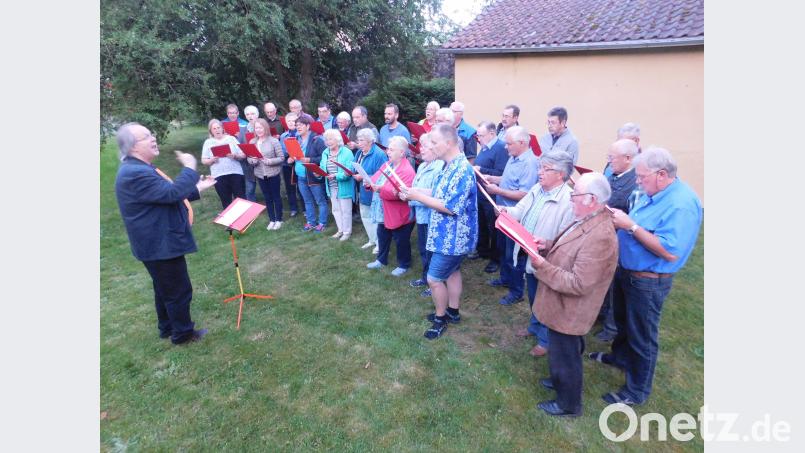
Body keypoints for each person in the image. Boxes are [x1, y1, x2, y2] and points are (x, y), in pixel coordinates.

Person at [589, 147, 703, 407]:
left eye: (642, 177)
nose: (638, 182)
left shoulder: (681, 204)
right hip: (627, 272)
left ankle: (637, 390)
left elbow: (669, 251)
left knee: (642, 335)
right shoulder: (655, 193)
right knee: (623, 322)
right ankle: (620, 358)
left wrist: (630, 226)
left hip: (648, 281)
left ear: (661, 174)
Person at [114, 122, 217, 344]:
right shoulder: (135, 173)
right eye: (146, 137)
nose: (153, 138)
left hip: (155, 243)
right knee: (178, 290)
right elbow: (172, 194)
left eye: (151, 134)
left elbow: (162, 196)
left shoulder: (137, 168)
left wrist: (197, 189)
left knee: (164, 288)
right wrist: (190, 167)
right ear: (133, 147)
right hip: (159, 244)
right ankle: (183, 334)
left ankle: (167, 327)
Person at [529, 172, 619, 417]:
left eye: (575, 194)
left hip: (573, 308)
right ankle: (559, 380)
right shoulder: (588, 217)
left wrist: (543, 266)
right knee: (564, 350)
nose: (570, 198)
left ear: (592, 199)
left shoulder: (600, 235)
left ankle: (568, 404)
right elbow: (570, 245)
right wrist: (547, 245)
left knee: (566, 354)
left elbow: (580, 283)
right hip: (563, 304)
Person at [401, 124, 478, 340]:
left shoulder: (462, 170)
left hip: (453, 238)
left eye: (434, 142)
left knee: (434, 279)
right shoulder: (447, 165)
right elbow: (438, 192)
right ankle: (453, 311)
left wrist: (417, 197)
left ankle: (440, 318)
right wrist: (415, 190)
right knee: (452, 272)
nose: (431, 146)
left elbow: (450, 206)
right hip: (444, 234)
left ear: (449, 143)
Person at [505, 151, 575, 357]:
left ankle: (545, 340)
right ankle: (535, 327)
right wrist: (505, 212)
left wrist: (548, 246)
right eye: (540, 167)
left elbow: (566, 239)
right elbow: (519, 210)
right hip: (529, 252)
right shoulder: (538, 189)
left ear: (560, 174)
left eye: (546, 169)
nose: (540, 172)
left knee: (548, 300)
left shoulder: (568, 200)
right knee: (534, 294)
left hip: (549, 259)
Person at [484, 126, 540, 306]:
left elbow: (524, 193)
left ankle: (516, 291)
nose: (505, 147)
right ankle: (505, 278)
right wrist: (494, 179)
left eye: (509, 143)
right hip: (503, 213)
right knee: (504, 250)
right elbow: (510, 180)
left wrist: (498, 191)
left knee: (514, 255)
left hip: (516, 217)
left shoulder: (530, 163)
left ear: (522, 143)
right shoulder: (513, 157)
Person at [595, 138, 640, 342]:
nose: (609, 161)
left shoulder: (635, 183)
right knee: (602, 278)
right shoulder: (613, 175)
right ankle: (600, 313)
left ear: (628, 158)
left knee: (614, 283)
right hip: (604, 233)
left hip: (619, 239)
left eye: (612, 157)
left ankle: (611, 327)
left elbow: (632, 217)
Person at [365, 136, 416, 276]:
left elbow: (400, 193)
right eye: (388, 149)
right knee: (382, 235)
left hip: (400, 213)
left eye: (392, 150)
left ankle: (404, 264)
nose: (388, 152)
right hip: (385, 210)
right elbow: (376, 177)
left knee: (401, 240)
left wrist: (380, 189)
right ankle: (381, 260)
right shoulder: (388, 164)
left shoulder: (407, 170)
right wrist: (369, 182)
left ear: (402, 152)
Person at [406, 133, 445, 297]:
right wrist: (408, 193)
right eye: (420, 146)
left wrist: (414, 195)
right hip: (421, 214)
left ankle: (434, 282)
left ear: (434, 149)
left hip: (432, 215)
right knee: (423, 248)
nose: (421, 149)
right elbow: (415, 186)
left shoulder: (440, 167)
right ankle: (425, 277)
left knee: (432, 251)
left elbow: (436, 194)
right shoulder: (422, 166)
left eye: (425, 147)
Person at [473, 121, 510, 274]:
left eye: (481, 135)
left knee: (493, 226)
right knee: (482, 222)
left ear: (492, 133)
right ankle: (483, 250)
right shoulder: (485, 147)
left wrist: (481, 169)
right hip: (481, 191)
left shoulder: (500, 148)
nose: (479, 138)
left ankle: (495, 258)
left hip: (492, 194)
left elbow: (502, 173)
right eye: (478, 135)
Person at [288, 114, 329, 232]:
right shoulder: (295, 140)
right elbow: (294, 156)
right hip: (300, 176)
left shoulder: (317, 140)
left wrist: (310, 160)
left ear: (308, 126)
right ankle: (311, 222)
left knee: (320, 201)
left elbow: (324, 157)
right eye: (296, 125)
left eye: (300, 125)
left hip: (313, 176)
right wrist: (291, 159)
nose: (298, 127)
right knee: (307, 200)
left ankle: (322, 223)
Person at [352, 128, 388, 253]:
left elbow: (383, 174)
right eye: (358, 140)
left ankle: (379, 243)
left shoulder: (379, 154)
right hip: (362, 189)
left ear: (370, 141)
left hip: (374, 192)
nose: (359, 143)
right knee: (365, 215)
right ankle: (371, 239)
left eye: (362, 140)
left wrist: (363, 177)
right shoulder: (359, 152)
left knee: (375, 217)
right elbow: (355, 165)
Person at [248, 118, 285, 230]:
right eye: (256, 128)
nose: (259, 130)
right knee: (267, 197)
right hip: (260, 174)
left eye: (261, 127)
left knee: (276, 196)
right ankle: (272, 219)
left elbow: (281, 157)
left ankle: (279, 219)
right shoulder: (252, 142)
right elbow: (249, 158)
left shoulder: (273, 141)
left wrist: (270, 161)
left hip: (273, 173)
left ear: (265, 128)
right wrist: (253, 161)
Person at [201, 119, 246, 209]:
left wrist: (234, 155)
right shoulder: (208, 142)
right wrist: (212, 160)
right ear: (211, 131)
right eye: (214, 129)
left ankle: (244, 217)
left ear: (222, 128)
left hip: (235, 172)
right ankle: (229, 217)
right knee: (226, 200)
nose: (217, 130)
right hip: (218, 174)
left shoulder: (231, 139)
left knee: (241, 199)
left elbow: (243, 154)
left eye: (218, 128)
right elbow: (203, 160)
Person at [321, 129, 355, 240]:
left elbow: (349, 171)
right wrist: (319, 172)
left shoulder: (347, 152)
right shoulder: (325, 152)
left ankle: (347, 232)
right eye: (326, 139)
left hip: (344, 186)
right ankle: (340, 230)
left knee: (346, 210)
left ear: (338, 140)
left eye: (330, 139)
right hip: (331, 186)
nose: (328, 142)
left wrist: (336, 175)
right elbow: (322, 166)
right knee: (335, 209)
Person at [278, 112, 299, 217]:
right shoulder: (283, 136)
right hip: (287, 163)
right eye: (288, 121)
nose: (291, 123)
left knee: (301, 187)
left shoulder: (300, 134)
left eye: (293, 120)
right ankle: (293, 208)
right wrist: (289, 153)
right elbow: (282, 151)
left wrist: (294, 155)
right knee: (290, 187)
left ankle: (305, 208)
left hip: (299, 162)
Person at [239, 105, 260, 202]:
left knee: (266, 186)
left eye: (252, 114)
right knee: (250, 188)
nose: (250, 116)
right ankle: (251, 205)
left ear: (257, 114)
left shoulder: (262, 127)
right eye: (247, 114)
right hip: (247, 162)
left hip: (262, 161)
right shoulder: (242, 130)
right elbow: (240, 144)